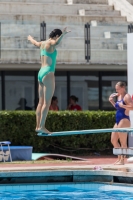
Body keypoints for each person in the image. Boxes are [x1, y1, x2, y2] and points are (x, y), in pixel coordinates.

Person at [27, 27, 70, 134]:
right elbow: (56, 42)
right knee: (47, 102)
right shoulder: (51, 42)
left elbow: (35, 43)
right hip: (48, 73)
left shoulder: (42, 43)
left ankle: (37, 126)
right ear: (56, 36)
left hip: (40, 73)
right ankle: (42, 126)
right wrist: (63, 34)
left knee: (40, 102)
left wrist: (30, 38)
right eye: (58, 36)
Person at [109, 81, 133, 165]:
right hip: (118, 119)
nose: (117, 90)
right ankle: (119, 158)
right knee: (113, 139)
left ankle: (122, 160)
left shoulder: (127, 96)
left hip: (124, 119)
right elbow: (117, 107)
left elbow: (132, 107)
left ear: (123, 88)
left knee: (123, 141)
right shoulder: (119, 96)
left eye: (118, 89)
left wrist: (124, 106)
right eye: (116, 89)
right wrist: (112, 101)